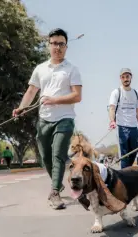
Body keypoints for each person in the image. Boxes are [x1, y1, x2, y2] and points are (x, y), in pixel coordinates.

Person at [12, 28, 82, 210]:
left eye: (61, 44)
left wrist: (54, 100)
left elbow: (77, 96)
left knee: (58, 154)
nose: (57, 47)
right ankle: (57, 184)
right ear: (48, 45)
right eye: (54, 43)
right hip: (44, 120)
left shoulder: (72, 70)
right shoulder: (40, 69)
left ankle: (54, 193)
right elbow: (31, 92)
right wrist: (21, 108)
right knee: (46, 158)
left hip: (64, 119)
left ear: (66, 47)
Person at [108, 68, 138, 169]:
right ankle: (124, 178)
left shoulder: (136, 93)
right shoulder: (116, 92)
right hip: (121, 127)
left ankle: (126, 172)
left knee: (134, 151)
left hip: (133, 128)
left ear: (131, 77)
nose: (125, 79)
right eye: (123, 77)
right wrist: (112, 121)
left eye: (127, 77)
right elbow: (112, 108)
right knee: (124, 155)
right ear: (120, 79)